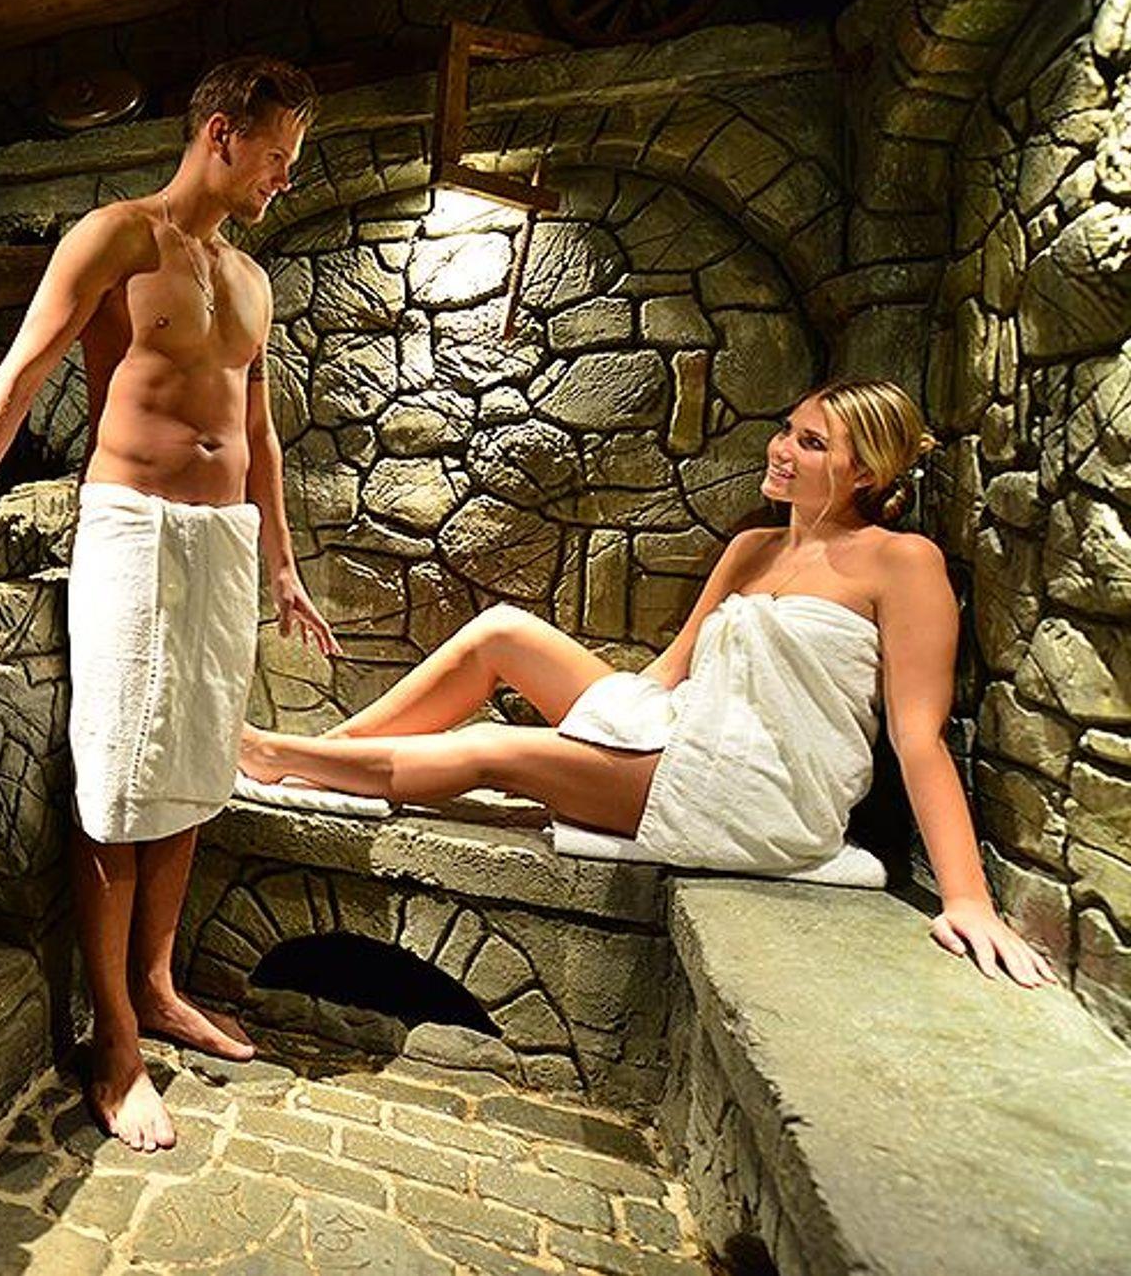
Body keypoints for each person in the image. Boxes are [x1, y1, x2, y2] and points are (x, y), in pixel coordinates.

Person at [0, 57, 341, 1151]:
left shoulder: (251, 279)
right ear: (220, 133)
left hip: (223, 542)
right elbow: (21, 373)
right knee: (119, 778)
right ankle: (114, 1039)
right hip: (133, 529)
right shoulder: (116, 238)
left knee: (194, 765)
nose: (284, 177)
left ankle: (159, 984)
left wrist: (281, 561)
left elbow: (260, 432)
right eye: (275, 155)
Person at [239, 379, 1055, 987]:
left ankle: (277, 758)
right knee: (503, 633)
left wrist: (968, 899)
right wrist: (604, 737)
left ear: (866, 471)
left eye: (811, 443)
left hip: (760, 791)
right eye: (788, 430)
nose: (781, 448)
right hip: (692, 735)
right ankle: (333, 756)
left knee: (495, 750)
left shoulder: (902, 563)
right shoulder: (754, 549)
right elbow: (670, 672)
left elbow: (918, 736)